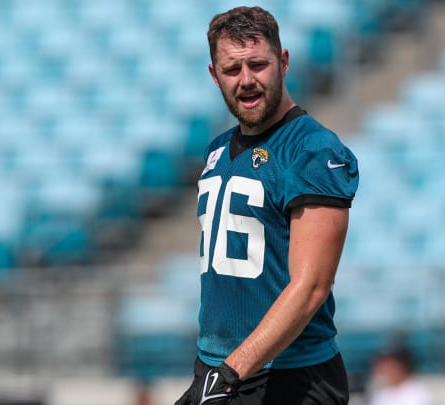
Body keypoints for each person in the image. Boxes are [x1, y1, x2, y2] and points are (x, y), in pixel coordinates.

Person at [175, 6, 359, 405]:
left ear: (284, 62)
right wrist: (214, 370)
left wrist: (230, 372)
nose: (246, 80)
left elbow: (311, 287)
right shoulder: (216, 149)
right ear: (213, 75)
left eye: (258, 65)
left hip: (291, 378)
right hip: (218, 369)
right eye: (232, 69)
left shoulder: (312, 149)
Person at [367, 344, 431, 405]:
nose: (383, 369)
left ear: (402, 366)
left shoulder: (416, 393)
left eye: (389, 365)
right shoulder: (381, 393)